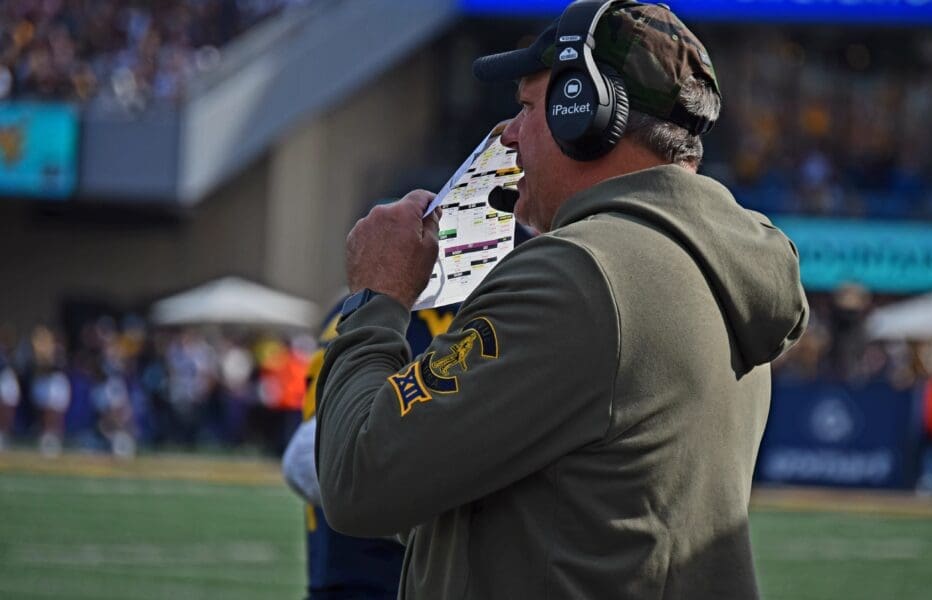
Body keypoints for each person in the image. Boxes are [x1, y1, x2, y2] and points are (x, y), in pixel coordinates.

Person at [314, 1, 808, 598]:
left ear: (587, 112)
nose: (508, 134)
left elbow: (358, 482)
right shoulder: (716, 268)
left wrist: (378, 295)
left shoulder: (577, 276)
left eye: (526, 106)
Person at [283, 302, 460, 599]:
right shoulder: (394, 313)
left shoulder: (355, 308)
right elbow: (307, 458)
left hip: (369, 568)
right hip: (370, 574)